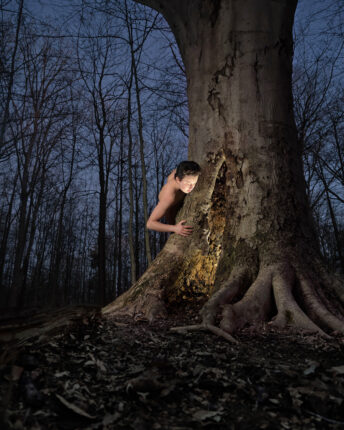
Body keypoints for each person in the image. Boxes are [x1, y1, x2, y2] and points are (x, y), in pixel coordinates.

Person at [146, 161, 201, 237]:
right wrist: (174, 228)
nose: (191, 187)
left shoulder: (180, 172)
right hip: (172, 213)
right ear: (178, 180)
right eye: (188, 183)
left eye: (194, 183)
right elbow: (150, 224)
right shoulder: (169, 197)